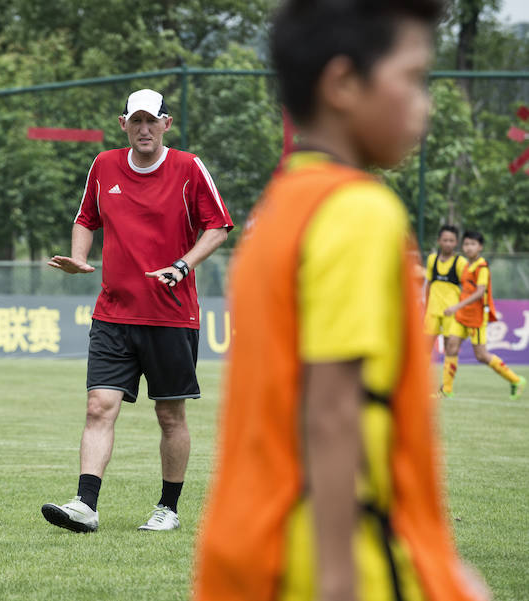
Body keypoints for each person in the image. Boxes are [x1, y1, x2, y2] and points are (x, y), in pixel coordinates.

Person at [194, 1, 489, 600]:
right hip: (336, 561)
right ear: (343, 84)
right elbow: (331, 410)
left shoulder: (276, 213)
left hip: (249, 550)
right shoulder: (358, 212)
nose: (424, 103)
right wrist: (339, 582)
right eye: (412, 78)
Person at [42, 89, 233, 533]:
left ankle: (168, 507)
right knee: (98, 407)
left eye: (152, 121)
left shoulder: (188, 167)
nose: (144, 129)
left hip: (171, 316)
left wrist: (183, 264)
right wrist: (79, 257)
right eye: (136, 121)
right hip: (113, 313)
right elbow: (86, 218)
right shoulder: (104, 165)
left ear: (167, 124)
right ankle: (84, 506)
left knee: (170, 415)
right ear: (123, 123)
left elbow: (219, 227)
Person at [441, 230, 526, 399]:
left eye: (473, 244)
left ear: (480, 247)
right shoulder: (466, 265)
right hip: (462, 316)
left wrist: (456, 305)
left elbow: (480, 293)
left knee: (481, 355)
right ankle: (446, 389)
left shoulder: (482, 267)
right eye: (466, 244)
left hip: (477, 317)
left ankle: (516, 380)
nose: (469, 247)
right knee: (451, 346)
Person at [424, 225, 468, 363]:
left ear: (456, 243)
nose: (448, 243)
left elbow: (467, 288)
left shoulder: (461, 262)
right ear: (439, 241)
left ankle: (447, 385)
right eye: (445, 240)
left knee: (451, 348)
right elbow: (429, 284)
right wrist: (425, 306)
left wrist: (461, 308)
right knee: (425, 347)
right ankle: (422, 384)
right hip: (432, 310)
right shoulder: (432, 259)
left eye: (451, 240)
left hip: (451, 310)